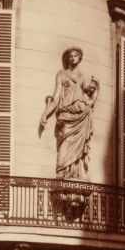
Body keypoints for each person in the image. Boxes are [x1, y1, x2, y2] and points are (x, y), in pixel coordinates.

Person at [40, 47, 99, 180]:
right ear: (67, 59)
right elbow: (56, 97)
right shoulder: (61, 74)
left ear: (79, 58)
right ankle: (61, 171)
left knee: (79, 145)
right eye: (70, 56)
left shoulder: (83, 77)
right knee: (65, 143)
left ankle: (76, 173)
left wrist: (97, 88)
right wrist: (45, 113)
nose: (72, 58)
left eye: (75, 56)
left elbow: (90, 97)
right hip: (66, 114)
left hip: (81, 114)